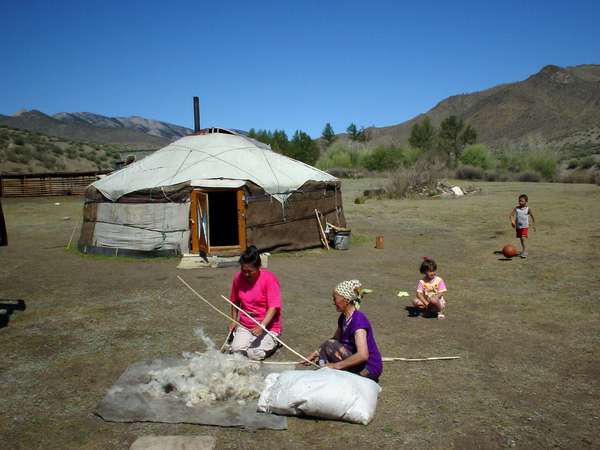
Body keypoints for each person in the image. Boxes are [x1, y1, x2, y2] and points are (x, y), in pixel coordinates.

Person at [305, 280, 383, 382]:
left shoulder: (358, 321)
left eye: (335, 298)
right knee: (328, 345)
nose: (333, 302)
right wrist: (315, 353)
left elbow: (363, 355)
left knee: (330, 345)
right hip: (355, 360)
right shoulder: (343, 318)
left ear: (346, 300)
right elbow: (334, 340)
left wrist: (336, 366)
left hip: (369, 367)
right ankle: (325, 369)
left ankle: (331, 372)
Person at [228, 245, 282, 360]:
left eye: (250, 271)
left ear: (259, 267)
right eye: (243, 270)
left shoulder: (269, 279)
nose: (246, 274)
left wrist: (262, 326)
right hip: (246, 324)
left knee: (254, 353)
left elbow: (273, 307)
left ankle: (274, 341)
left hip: (268, 326)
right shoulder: (238, 278)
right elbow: (235, 301)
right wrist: (233, 321)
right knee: (236, 352)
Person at [510, 193, 536, 258]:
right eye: (519, 200)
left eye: (521, 201)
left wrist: (533, 224)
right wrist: (512, 222)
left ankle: (525, 252)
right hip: (518, 227)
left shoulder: (528, 209)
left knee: (523, 238)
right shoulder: (516, 208)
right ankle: (523, 250)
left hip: (525, 226)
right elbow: (511, 215)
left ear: (526, 201)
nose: (520, 202)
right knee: (521, 239)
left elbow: (532, 216)